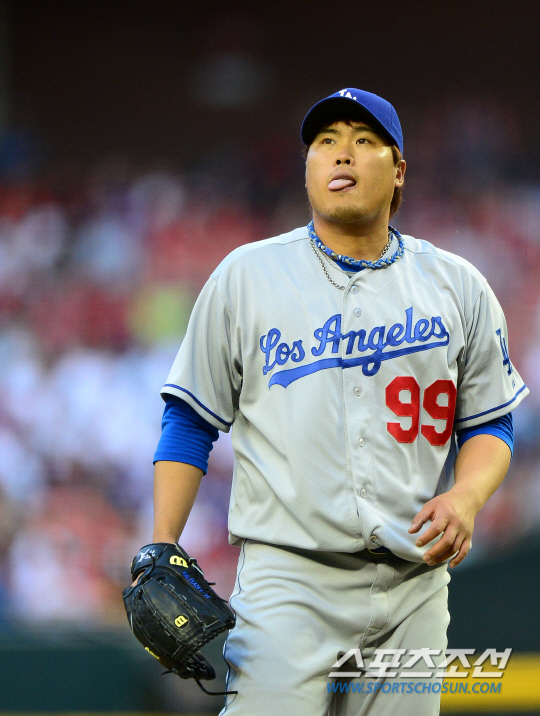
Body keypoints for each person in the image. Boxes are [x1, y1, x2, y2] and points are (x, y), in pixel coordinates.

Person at [149, 88, 528, 715]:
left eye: (362, 140)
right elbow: (189, 419)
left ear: (398, 169)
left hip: (414, 582)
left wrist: (466, 496)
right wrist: (164, 541)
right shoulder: (247, 276)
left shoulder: (458, 285)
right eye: (325, 142)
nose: (341, 154)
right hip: (289, 578)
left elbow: (493, 422)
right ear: (308, 168)